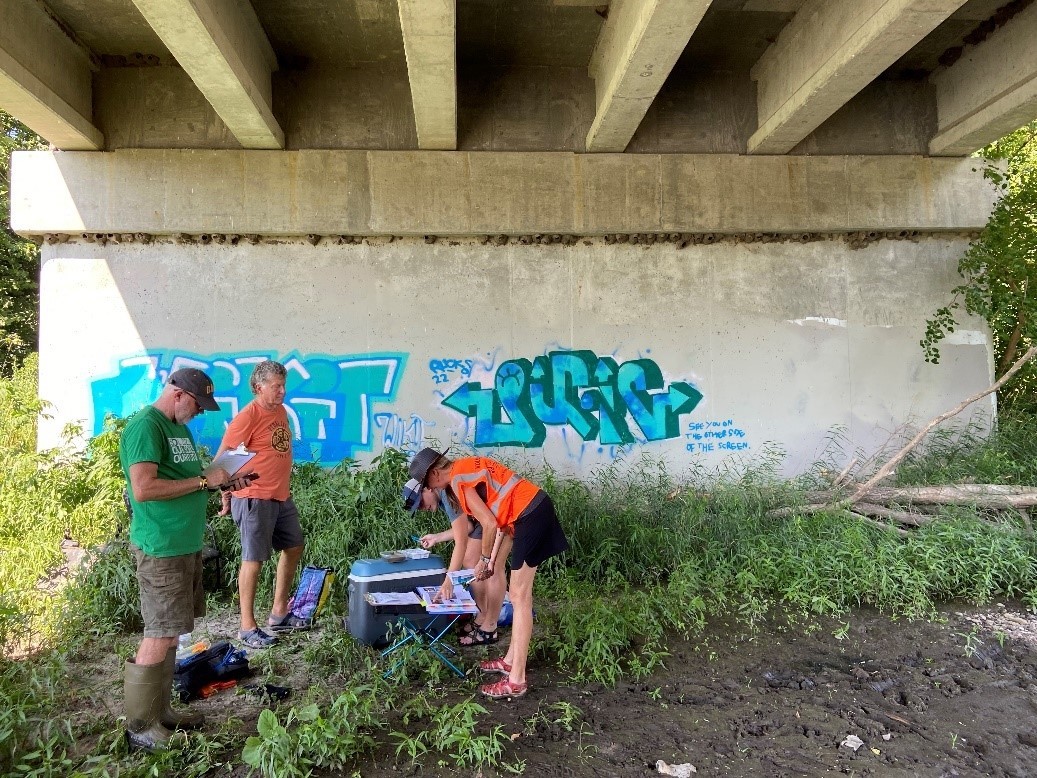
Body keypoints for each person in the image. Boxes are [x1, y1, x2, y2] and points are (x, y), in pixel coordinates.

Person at [119, 367, 255, 751]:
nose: (199, 412)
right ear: (178, 394)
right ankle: (140, 726)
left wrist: (224, 479)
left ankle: (162, 713)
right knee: (159, 630)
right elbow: (144, 489)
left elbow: (187, 476)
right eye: (197, 404)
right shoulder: (147, 427)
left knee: (174, 629)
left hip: (184, 543)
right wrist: (201, 482)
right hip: (161, 546)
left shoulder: (178, 428)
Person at [409, 447, 569, 699]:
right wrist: (491, 561)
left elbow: (489, 524)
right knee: (519, 595)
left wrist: (483, 559)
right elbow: (500, 521)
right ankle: (509, 661)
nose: (430, 489)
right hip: (528, 512)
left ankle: (516, 680)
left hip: (530, 514)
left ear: (436, 473)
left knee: (519, 596)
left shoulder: (459, 479)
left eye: (426, 483)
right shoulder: (464, 469)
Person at [215, 360, 306, 649]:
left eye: (283, 385)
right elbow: (223, 457)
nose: (282, 391)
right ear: (258, 387)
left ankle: (279, 613)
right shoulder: (247, 416)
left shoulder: (278, 411)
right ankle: (246, 627)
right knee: (253, 559)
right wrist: (226, 493)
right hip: (254, 497)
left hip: (279, 495)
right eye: (276, 386)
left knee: (294, 546)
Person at [402, 478, 507, 646]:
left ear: (427, 489)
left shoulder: (446, 492)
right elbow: (467, 527)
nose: (422, 508)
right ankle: (482, 615)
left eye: (420, 503)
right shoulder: (442, 496)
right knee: (471, 561)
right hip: (485, 517)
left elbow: (461, 542)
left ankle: (489, 625)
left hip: (498, 513)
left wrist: (450, 579)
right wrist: (437, 537)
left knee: (491, 567)